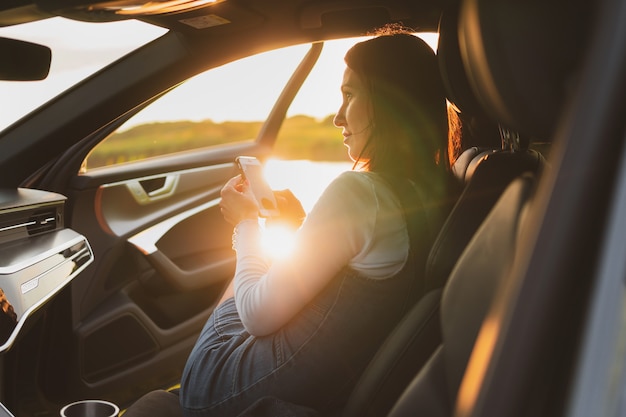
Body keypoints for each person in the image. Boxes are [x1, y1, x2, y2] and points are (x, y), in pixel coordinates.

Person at [123, 25, 457, 417]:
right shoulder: (429, 192)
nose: (336, 117)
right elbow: (348, 279)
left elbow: (256, 315)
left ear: (389, 104)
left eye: (349, 95)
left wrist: (245, 225)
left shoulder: (358, 193)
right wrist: (297, 225)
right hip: (326, 382)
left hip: (212, 389)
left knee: (238, 292)